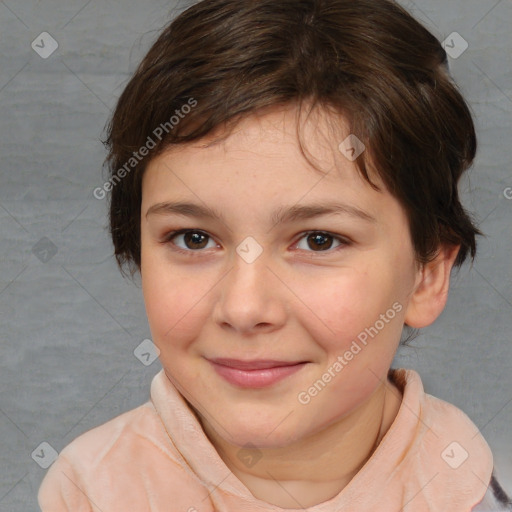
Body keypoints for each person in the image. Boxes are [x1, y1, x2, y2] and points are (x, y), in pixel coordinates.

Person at [38, 0, 511, 510]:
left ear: (427, 274)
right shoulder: (91, 492)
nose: (244, 309)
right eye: (194, 239)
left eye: (319, 240)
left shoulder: (465, 485)